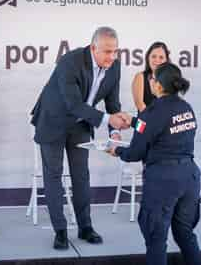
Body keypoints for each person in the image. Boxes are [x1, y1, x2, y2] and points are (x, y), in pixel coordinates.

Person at [30, 27, 129, 250]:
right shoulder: (70, 61)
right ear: (93, 48)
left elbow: (112, 104)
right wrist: (108, 121)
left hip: (81, 124)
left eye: (115, 52)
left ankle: (85, 227)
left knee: (81, 176)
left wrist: (114, 132)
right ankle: (61, 231)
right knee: (54, 176)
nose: (112, 57)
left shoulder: (115, 66)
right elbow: (73, 104)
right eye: (107, 52)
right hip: (53, 121)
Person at [107, 62, 201, 265]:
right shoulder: (186, 107)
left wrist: (117, 150)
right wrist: (133, 121)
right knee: (185, 234)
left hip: (163, 181)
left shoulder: (152, 113)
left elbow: (135, 152)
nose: (150, 81)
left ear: (158, 85)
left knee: (156, 240)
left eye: (152, 78)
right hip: (190, 178)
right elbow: (160, 126)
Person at [132, 42, 170, 113]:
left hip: (165, 122)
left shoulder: (170, 80)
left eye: (161, 57)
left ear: (166, 60)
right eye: (153, 56)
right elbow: (140, 106)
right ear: (148, 57)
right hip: (143, 122)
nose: (157, 60)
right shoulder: (140, 77)